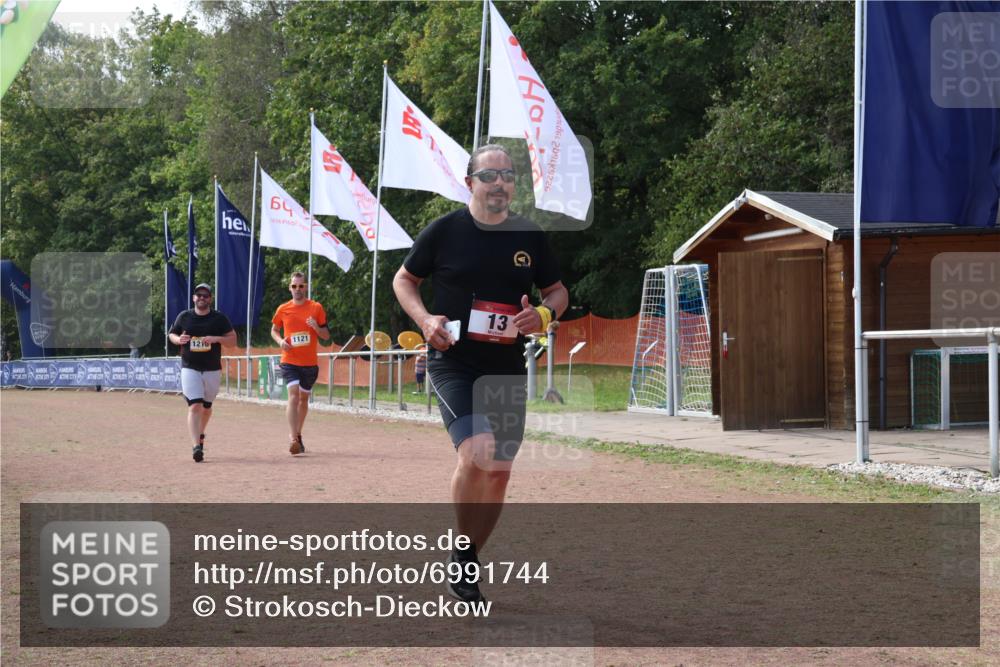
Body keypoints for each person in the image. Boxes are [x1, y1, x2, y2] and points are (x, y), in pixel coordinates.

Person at [392, 144, 569, 603]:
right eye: (489, 176)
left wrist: (544, 317)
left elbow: (557, 291)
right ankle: (465, 552)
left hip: (506, 368)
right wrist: (426, 320)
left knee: (500, 472)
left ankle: (466, 555)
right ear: (469, 183)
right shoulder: (445, 231)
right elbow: (403, 279)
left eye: (508, 175)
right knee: (477, 453)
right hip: (454, 361)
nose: (500, 183)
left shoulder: (528, 235)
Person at [168, 283, 237, 462]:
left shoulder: (219, 318)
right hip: (189, 367)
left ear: (210, 299)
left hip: (212, 369)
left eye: (205, 295)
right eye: (198, 295)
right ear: (193, 298)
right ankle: (196, 446)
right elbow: (172, 334)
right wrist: (178, 340)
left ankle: (200, 434)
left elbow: (233, 340)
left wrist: (216, 339)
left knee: (206, 407)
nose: (201, 298)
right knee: (195, 406)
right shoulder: (184, 316)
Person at [270, 272, 330, 455]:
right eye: (294, 286)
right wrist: (280, 342)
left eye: (301, 286)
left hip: (310, 363)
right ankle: (293, 438)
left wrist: (316, 328)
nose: (298, 289)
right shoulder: (283, 309)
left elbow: (326, 336)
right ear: (290, 288)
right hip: (289, 361)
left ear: (306, 287)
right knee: (293, 396)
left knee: (304, 400)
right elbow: (274, 330)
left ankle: (299, 433)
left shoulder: (316, 307)